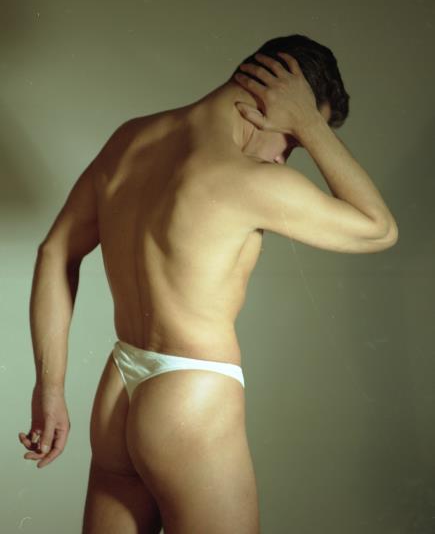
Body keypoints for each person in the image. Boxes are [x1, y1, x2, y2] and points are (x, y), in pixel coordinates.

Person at [18, 34, 398, 534]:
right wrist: (309, 123)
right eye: (293, 141)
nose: (286, 158)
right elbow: (379, 229)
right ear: (272, 98)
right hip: (190, 395)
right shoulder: (248, 179)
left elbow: (54, 252)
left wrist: (49, 389)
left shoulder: (129, 139)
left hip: (119, 387)